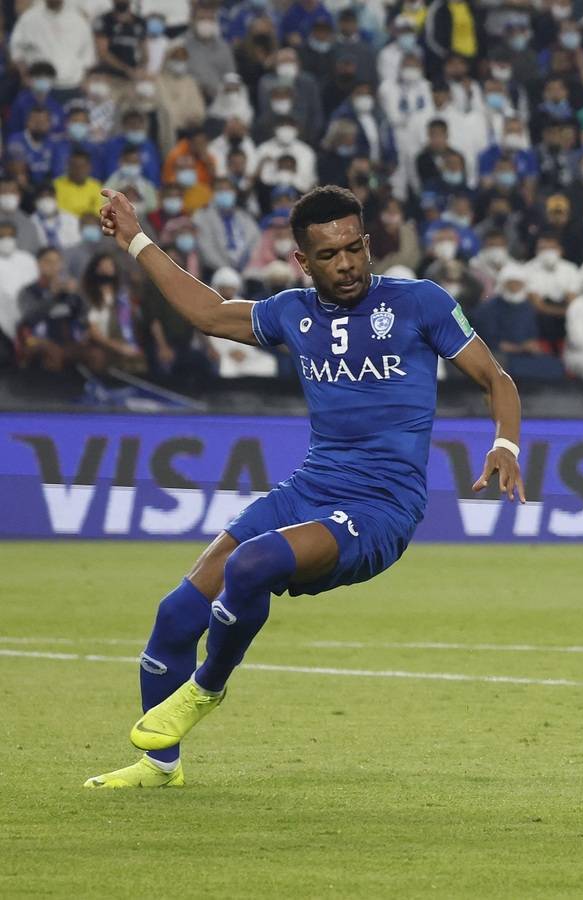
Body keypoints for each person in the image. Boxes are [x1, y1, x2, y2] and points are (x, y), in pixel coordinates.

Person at [84, 185, 525, 789]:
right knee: (176, 613)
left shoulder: (420, 303)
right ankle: (159, 766)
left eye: (354, 248)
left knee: (252, 565)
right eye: (328, 254)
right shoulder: (292, 313)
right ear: (303, 261)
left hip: (381, 507)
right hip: (310, 488)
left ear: (368, 244)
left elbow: (495, 377)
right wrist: (136, 237)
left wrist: (505, 443)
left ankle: (207, 687)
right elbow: (209, 313)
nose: (345, 264)